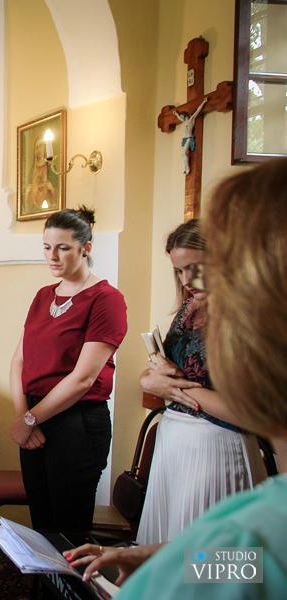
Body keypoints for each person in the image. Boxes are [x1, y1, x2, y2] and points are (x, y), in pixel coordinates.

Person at [68, 157, 287, 597]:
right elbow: (249, 565)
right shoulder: (265, 522)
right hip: (180, 444)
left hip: (214, 451)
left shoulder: (254, 528)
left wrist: (153, 578)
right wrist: (156, 557)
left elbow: (246, 562)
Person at [136, 219, 265, 544]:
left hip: (215, 448)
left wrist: (175, 389)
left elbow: (248, 412)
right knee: (168, 562)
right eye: (179, 271)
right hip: (174, 442)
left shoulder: (245, 314)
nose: (187, 279)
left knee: (205, 564)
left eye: (195, 268)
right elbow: (161, 370)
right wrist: (148, 379)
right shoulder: (190, 306)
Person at [9, 206, 127, 532]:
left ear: (85, 248)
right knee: (43, 525)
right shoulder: (42, 296)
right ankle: (44, 584)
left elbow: (83, 378)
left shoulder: (106, 299)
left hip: (77, 423)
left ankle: (71, 585)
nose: (53, 257)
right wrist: (23, 417)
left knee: (68, 529)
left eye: (63, 248)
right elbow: (19, 360)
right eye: (47, 247)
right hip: (35, 418)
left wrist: (31, 419)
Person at [173, 97, 208, 176]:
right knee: (182, 154)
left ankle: (187, 169)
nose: (181, 117)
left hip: (189, 138)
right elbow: (178, 117)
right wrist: (176, 114)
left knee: (184, 152)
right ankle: (185, 169)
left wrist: (204, 102)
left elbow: (198, 111)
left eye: (182, 116)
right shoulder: (184, 121)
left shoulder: (191, 119)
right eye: (181, 116)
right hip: (185, 139)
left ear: (185, 115)